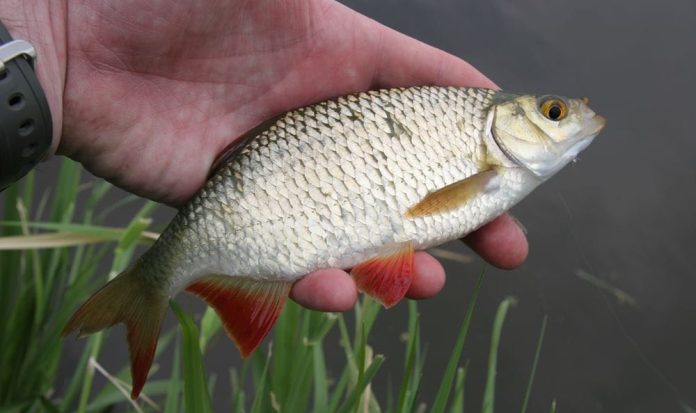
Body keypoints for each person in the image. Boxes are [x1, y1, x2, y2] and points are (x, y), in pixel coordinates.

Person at [1, 0, 527, 311]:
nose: (568, 119)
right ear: (503, 120)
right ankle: (150, 286)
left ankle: (151, 286)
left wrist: (55, 28)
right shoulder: (479, 140)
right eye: (551, 112)